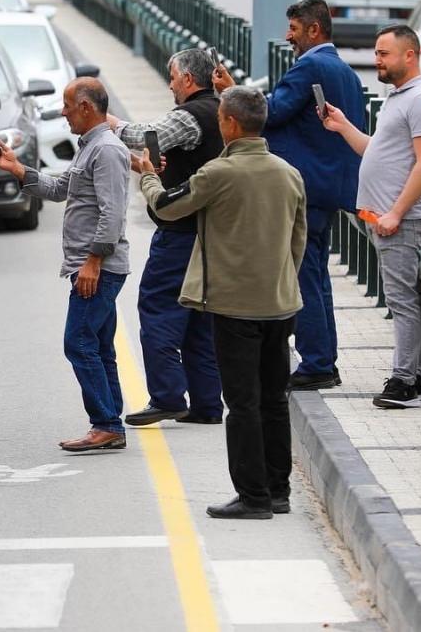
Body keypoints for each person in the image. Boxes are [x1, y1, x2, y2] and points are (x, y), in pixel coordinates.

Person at [136, 86, 306, 520]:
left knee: (243, 403)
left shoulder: (218, 172)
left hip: (233, 307)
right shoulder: (289, 173)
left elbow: (168, 208)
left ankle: (252, 497)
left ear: (229, 123)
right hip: (280, 302)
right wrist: (280, 280)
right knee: (274, 400)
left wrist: (148, 175)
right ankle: (278, 490)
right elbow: (297, 241)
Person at [214, 0, 365, 391]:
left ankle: (316, 362)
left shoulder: (311, 65)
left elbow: (272, 112)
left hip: (308, 185)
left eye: (294, 29)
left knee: (304, 275)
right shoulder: (345, 71)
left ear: (314, 30)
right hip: (331, 184)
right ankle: (323, 360)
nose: (288, 37)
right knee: (315, 273)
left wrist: (234, 93)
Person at [0, 78, 132, 452]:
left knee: (79, 342)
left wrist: (93, 261)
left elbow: (113, 214)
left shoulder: (107, 150)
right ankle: (110, 422)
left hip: (98, 266)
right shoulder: (90, 148)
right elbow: (59, 189)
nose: (63, 113)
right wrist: (18, 169)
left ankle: (105, 423)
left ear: (86, 107)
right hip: (91, 263)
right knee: (99, 346)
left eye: (68, 106)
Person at [322, 25, 421, 409]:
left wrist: (395, 212)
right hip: (385, 216)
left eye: (383, 54)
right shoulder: (399, 97)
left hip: (401, 220)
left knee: (402, 300)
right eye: (376, 53)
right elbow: (380, 150)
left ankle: (404, 381)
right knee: (413, 299)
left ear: (409, 56)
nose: (376, 60)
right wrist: (343, 127)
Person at [105, 49, 223, 426]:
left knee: (157, 309)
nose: (170, 83)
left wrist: (108, 122)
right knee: (198, 318)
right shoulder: (220, 110)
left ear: (188, 79)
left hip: (181, 232)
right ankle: (206, 404)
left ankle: (167, 396)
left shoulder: (190, 116)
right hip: (211, 232)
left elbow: (146, 136)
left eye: (173, 76)